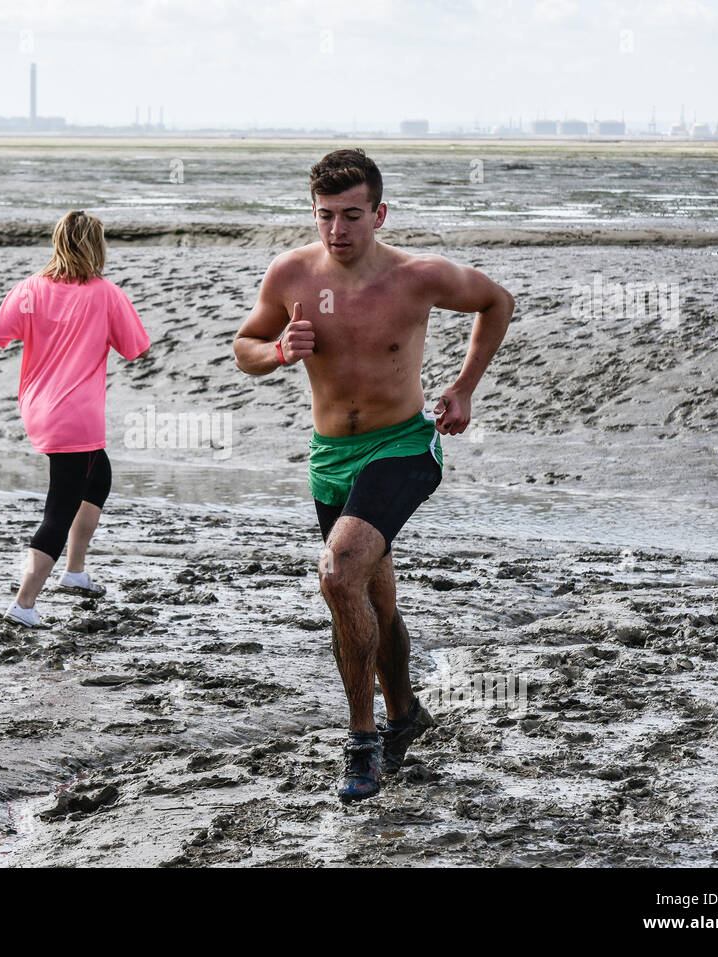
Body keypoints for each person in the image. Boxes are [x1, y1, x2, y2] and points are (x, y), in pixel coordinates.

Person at [233, 149, 514, 802]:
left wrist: (465, 388)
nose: (338, 230)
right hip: (331, 459)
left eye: (353, 216)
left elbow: (496, 302)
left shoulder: (419, 276)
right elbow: (243, 346)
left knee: (337, 571)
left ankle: (362, 744)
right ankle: (404, 713)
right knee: (373, 600)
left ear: (379, 213)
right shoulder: (293, 275)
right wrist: (275, 352)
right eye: (326, 215)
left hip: (405, 446)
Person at [0, 210, 150, 627]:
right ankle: (24, 604)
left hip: (39, 410)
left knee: (97, 480)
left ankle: (76, 573)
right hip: (76, 417)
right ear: (97, 247)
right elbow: (136, 348)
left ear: (58, 242)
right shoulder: (106, 293)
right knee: (59, 510)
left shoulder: (29, 290)